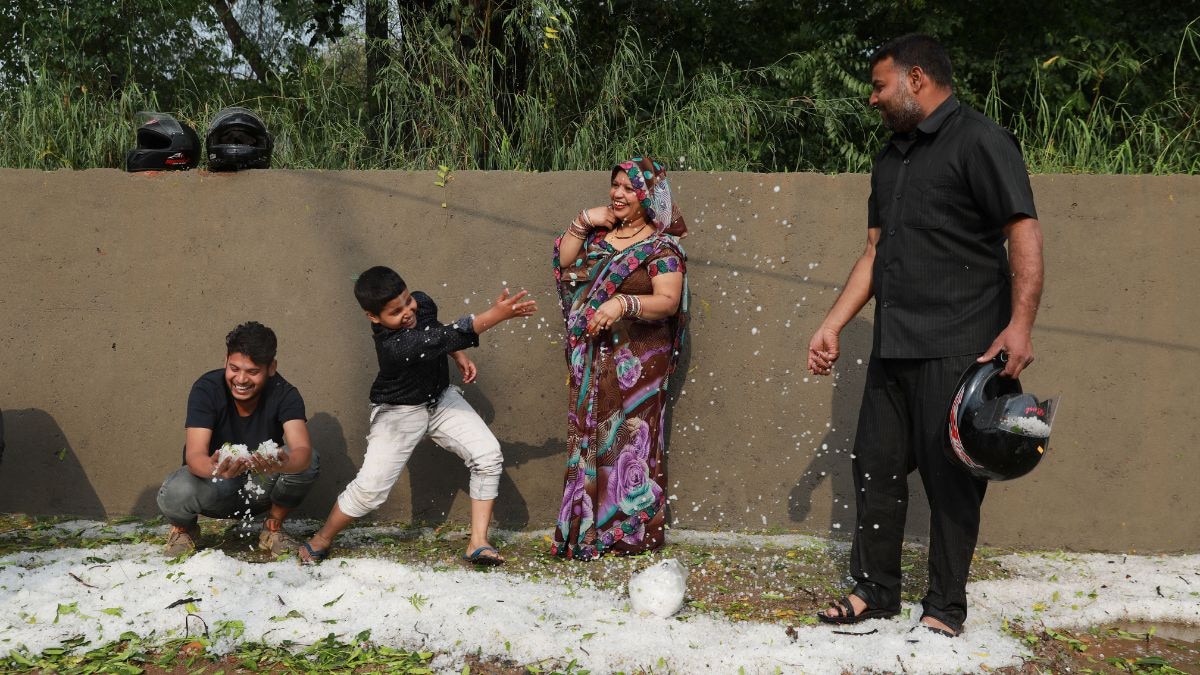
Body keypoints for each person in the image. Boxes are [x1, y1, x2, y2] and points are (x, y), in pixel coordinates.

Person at [807, 34, 1044, 637]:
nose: (871, 98)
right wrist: (833, 324)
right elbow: (873, 252)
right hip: (894, 346)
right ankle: (876, 591)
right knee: (875, 467)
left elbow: (1022, 229)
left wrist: (1021, 324)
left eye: (879, 85)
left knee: (951, 482)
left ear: (916, 79)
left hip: (962, 346)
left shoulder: (981, 140)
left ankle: (944, 608)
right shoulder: (891, 156)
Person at [299, 266, 537, 566]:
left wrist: (458, 354)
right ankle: (322, 538)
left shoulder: (422, 303)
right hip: (399, 412)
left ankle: (478, 543)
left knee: (488, 456)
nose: (408, 311)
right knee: (371, 490)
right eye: (395, 312)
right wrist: (494, 315)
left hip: (439, 399)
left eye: (407, 300)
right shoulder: (392, 347)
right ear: (374, 317)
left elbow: (435, 331)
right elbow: (433, 341)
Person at [551, 156, 689, 560]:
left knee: (631, 443)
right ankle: (586, 530)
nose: (618, 194)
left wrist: (623, 303)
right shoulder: (598, 239)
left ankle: (629, 533)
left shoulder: (662, 249)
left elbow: (667, 301)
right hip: (592, 360)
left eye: (630, 188)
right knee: (589, 439)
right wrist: (583, 219)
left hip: (639, 366)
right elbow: (564, 263)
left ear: (647, 196)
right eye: (615, 185)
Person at [157, 321, 319, 556]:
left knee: (311, 460)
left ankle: (272, 529)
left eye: (252, 372)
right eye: (234, 368)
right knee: (175, 489)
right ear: (225, 361)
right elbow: (194, 455)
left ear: (271, 367)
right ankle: (185, 530)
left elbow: (302, 450)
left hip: (260, 484)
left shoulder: (284, 393)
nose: (241, 379)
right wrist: (216, 468)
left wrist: (282, 464)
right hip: (214, 485)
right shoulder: (207, 388)